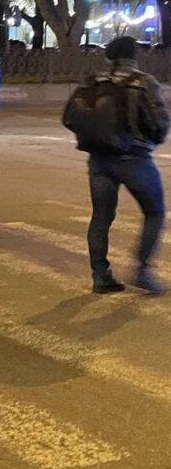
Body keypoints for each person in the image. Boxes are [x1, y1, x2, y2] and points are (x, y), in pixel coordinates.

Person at [78, 36, 170, 294]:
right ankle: (142, 270)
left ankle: (100, 276)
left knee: (101, 217)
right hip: (134, 159)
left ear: (108, 55)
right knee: (154, 212)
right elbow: (160, 124)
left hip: (99, 159)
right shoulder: (144, 82)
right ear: (135, 55)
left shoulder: (94, 80)